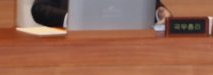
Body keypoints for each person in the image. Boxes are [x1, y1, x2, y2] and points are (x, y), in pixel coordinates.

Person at [31, 0, 171, 28]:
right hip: (74, 48)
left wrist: (159, 12)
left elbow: (150, 4)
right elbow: (38, 9)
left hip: (125, 48)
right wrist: (71, 19)